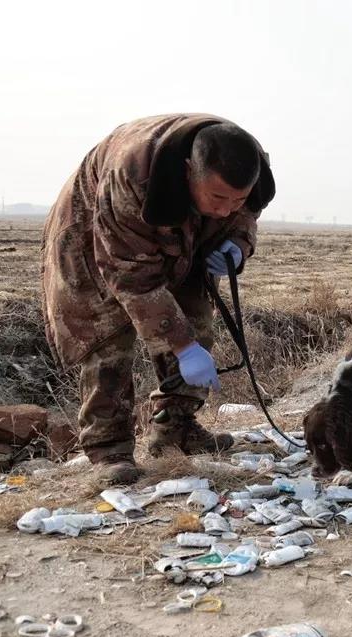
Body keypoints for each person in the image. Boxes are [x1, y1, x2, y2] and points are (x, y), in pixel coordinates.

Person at [41, 114, 275, 484]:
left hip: (183, 237)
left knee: (197, 325)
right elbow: (132, 278)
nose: (226, 208)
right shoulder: (132, 175)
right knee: (107, 342)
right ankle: (110, 450)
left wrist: (237, 245)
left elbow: (247, 213)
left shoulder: (247, 164)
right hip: (95, 239)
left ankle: (174, 429)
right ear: (187, 172)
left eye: (237, 198)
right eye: (217, 197)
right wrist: (181, 347)